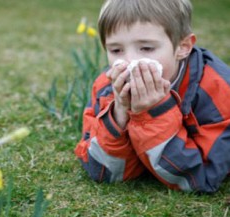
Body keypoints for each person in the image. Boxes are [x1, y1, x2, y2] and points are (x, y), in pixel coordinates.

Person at [74, 0, 230, 193]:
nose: (130, 61)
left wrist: (154, 112)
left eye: (146, 48)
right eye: (116, 50)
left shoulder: (219, 91)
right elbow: (103, 172)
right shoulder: (106, 87)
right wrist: (119, 113)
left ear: (183, 47)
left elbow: (202, 179)